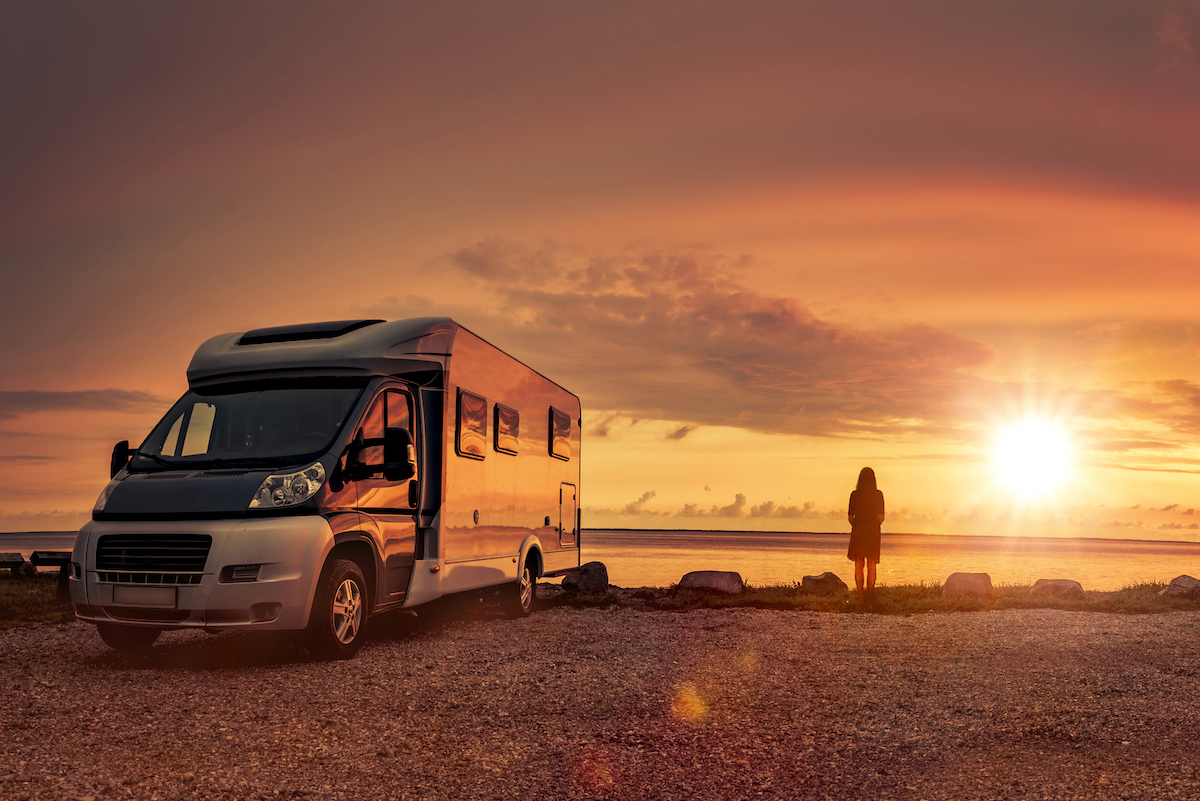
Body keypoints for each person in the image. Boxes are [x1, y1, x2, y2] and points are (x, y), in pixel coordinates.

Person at [847, 467, 885, 604]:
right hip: (873, 531)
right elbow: (881, 517)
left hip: (859, 530)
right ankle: (869, 595)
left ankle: (861, 596)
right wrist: (874, 526)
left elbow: (850, 517)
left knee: (858, 564)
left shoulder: (855, 494)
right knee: (871, 563)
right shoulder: (878, 494)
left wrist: (857, 527)